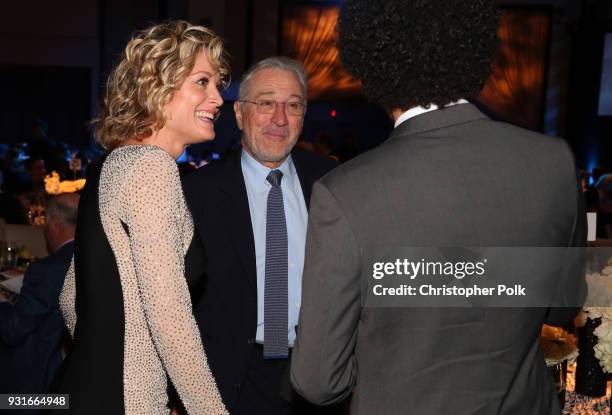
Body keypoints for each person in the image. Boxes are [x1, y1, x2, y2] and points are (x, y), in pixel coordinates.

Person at [290, 1, 586, 414]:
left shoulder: (346, 192)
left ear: (372, 57)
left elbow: (318, 381)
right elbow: (562, 305)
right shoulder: (553, 161)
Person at [55, 21, 228, 414]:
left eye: (218, 84)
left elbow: (70, 297)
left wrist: (103, 362)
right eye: (203, 82)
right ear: (158, 86)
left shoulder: (110, 166)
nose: (218, 98)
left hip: (82, 390)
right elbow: (169, 315)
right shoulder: (152, 169)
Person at [183, 57, 338, 414]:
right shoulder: (198, 194)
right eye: (266, 103)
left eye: (293, 105)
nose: (280, 119)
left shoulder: (333, 183)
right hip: (230, 380)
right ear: (239, 114)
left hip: (316, 376)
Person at [0, 194, 78, 399]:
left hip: (35, 388)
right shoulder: (92, 258)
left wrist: (2, 302)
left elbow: (13, 330)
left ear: (54, 224)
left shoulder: (48, 271)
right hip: (76, 368)